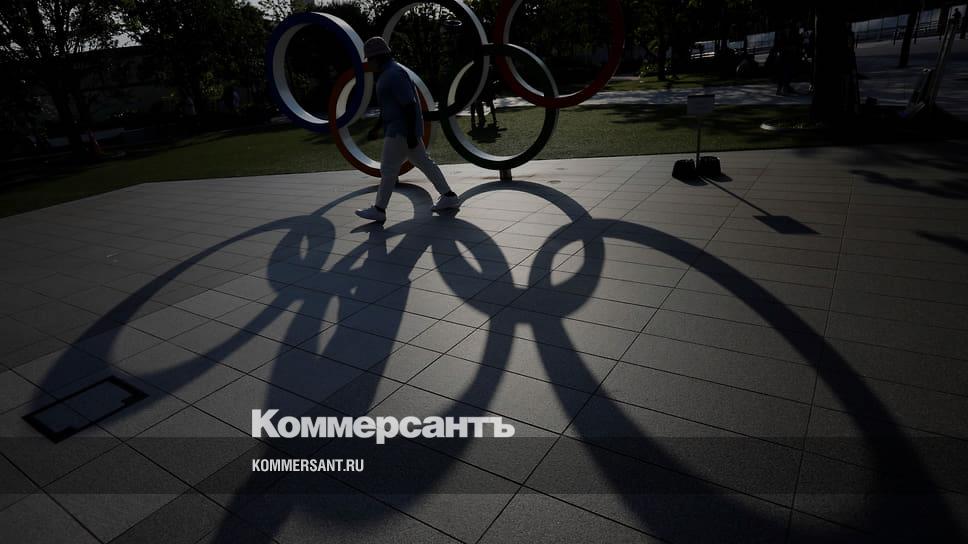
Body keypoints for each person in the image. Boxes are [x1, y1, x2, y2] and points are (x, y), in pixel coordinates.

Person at [355, 37, 460, 223]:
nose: (368, 64)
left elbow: (410, 105)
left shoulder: (394, 74)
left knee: (388, 169)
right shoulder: (390, 73)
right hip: (400, 130)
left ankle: (379, 209)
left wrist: (411, 133)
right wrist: (377, 128)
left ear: (377, 57)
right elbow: (389, 107)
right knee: (424, 163)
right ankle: (449, 196)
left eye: (369, 59)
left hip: (400, 131)